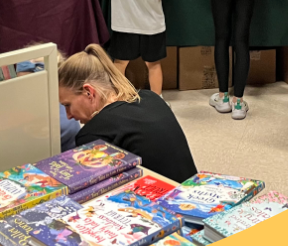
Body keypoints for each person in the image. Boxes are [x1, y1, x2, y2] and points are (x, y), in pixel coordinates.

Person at [60, 44, 197, 183]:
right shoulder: (151, 97)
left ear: (89, 92)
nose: (68, 116)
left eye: (67, 105)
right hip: (193, 190)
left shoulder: (94, 135)